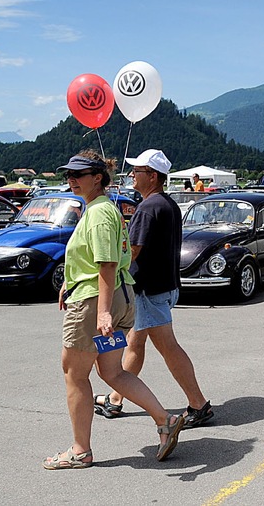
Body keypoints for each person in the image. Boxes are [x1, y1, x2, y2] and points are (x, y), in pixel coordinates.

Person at [44, 151, 184, 470]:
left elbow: (106, 263)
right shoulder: (103, 209)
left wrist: (103, 312)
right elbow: (100, 261)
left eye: (78, 174)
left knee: (74, 373)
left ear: (98, 178)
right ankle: (166, 419)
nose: (71, 179)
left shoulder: (99, 213)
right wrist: (71, 282)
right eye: (68, 174)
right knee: (111, 371)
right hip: (115, 297)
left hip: (98, 303)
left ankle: (80, 451)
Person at [94, 149, 214, 429]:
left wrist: (108, 268)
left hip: (149, 290)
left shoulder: (148, 208)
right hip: (161, 287)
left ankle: (199, 404)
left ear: (153, 176)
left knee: (168, 347)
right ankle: (115, 398)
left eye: (137, 171)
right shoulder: (167, 204)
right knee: (135, 344)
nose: (132, 176)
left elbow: (132, 251)